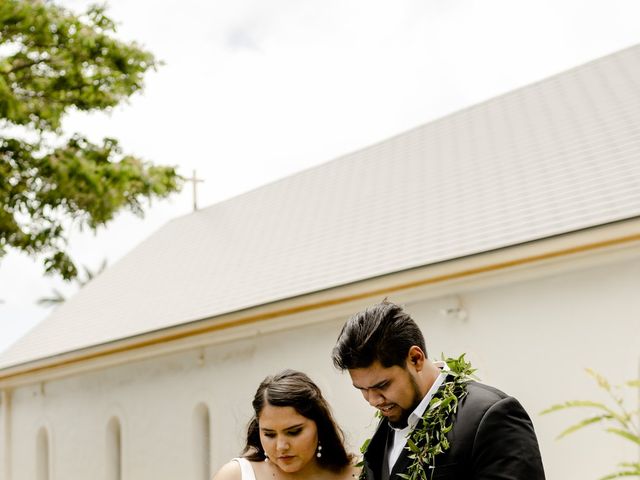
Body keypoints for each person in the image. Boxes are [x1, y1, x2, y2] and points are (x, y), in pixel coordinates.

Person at [331, 300, 546, 480]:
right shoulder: (386, 427)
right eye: (362, 389)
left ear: (416, 359)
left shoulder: (491, 416)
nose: (373, 400)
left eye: (382, 385)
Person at [212, 369, 359, 480]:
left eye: (293, 432)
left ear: (319, 425)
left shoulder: (357, 472)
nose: (281, 446)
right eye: (269, 434)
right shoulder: (235, 476)